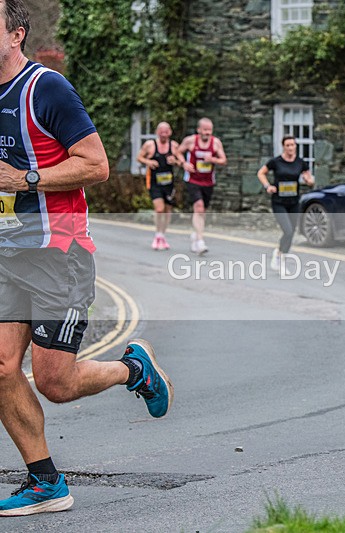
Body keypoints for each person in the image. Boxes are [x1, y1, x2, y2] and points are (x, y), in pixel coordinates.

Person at [0, 0, 173, 515]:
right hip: (9, 253)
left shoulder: (45, 88)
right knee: (3, 368)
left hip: (60, 254)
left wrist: (24, 178)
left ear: (16, 35)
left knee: (55, 382)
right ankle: (46, 482)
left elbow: (96, 165)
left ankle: (132, 369)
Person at [256, 135, 314, 270]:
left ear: (295, 146)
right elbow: (261, 173)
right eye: (287, 145)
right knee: (287, 231)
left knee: (291, 232)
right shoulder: (276, 162)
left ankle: (279, 253)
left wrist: (309, 181)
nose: (290, 148)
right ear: (283, 147)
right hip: (279, 202)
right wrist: (268, 186)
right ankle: (281, 261)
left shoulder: (300, 163)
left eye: (292, 145)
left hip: (294, 202)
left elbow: (308, 177)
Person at [178, 117, 227, 255]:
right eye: (205, 130)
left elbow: (223, 160)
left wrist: (213, 159)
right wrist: (184, 164)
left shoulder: (216, 143)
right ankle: (200, 241)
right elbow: (178, 151)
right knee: (198, 207)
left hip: (208, 181)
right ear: (199, 129)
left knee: (202, 210)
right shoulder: (190, 141)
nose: (207, 132)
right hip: (193, 179)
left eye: (210, 130)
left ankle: (196, 234)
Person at [136, 121, 185, 251]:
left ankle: (163, 235)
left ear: (170, 132)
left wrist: (175, 161)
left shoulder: (174, 146)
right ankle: (157, 235)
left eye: (166, 131)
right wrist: (149, 161)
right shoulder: (150, 145)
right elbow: (139, 158)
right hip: (154, 182)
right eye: (161, 131)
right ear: (157, 132)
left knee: (168, 210)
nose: (164, 134)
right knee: (159, 209)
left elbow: (182, 162)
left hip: (169, 183)